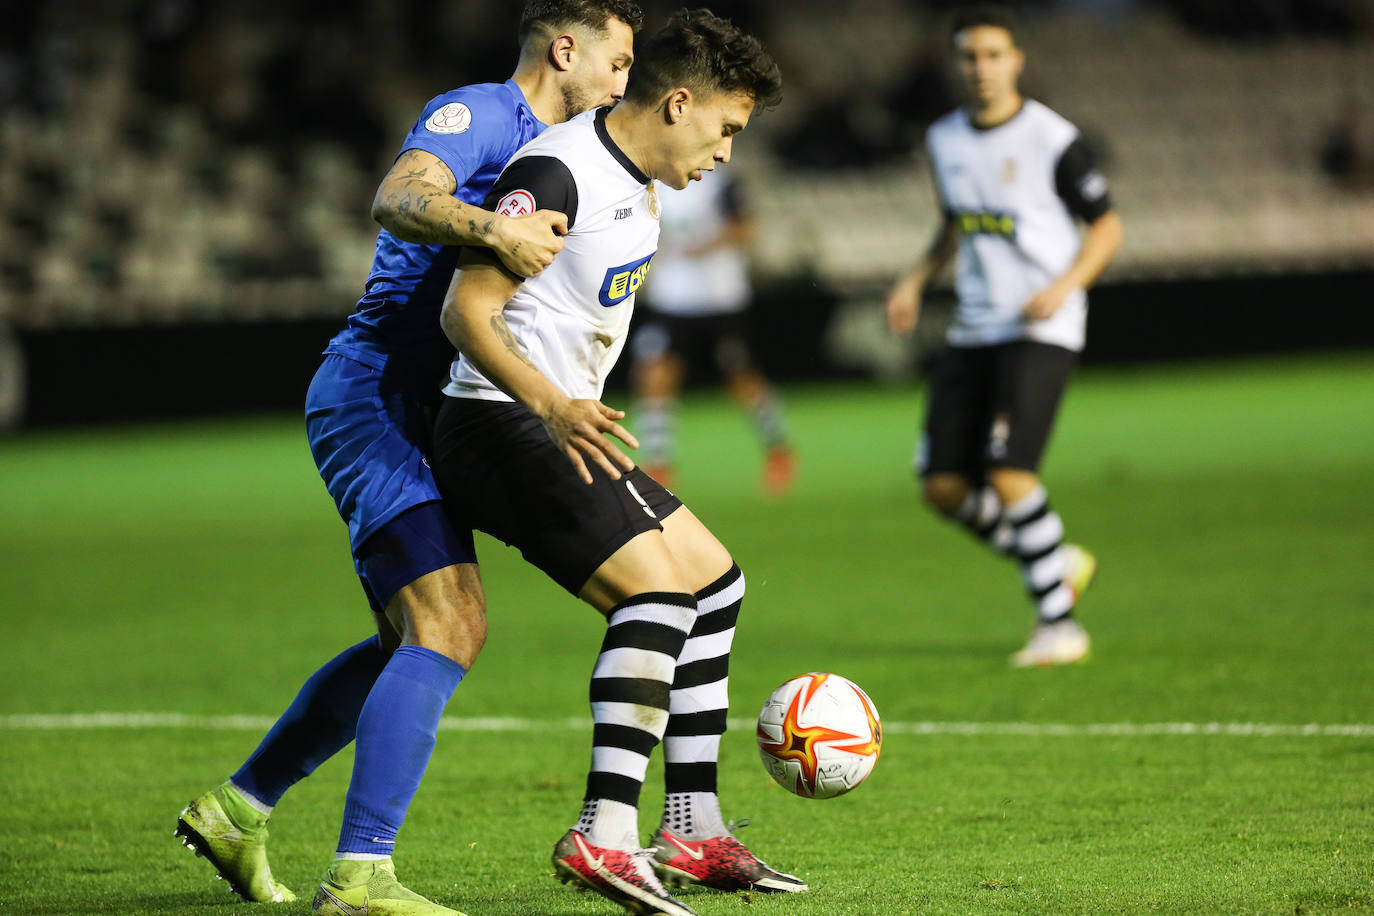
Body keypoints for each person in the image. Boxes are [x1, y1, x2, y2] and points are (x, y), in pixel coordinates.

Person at [174, 4, 641, 915]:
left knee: (411, 639)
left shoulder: (580, 151)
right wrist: (491, 230)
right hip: (377, 390)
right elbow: (398, 197)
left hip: (444, 411)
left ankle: (237, 809)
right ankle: (361, 877)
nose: (626, 82)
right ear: (565, 48)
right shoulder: (479, 114)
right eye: (619, 62)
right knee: (448, 626)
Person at [429, 10, 798, 915]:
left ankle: (692, 827)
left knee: (716, 584)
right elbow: (465, 313)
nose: (724, 153)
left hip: (560, 423)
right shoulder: (559, 170)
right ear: (678, 103)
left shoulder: (638, 178)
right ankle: (602, 834)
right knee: (657, 596)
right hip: (499, 421)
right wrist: (553, 403)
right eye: (726, 129)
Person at [885, 5, 1124, 668]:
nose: (982, 68)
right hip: (973, 326)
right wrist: (913, 278)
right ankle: (1057, 558)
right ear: (957, 65)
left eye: (994, 55)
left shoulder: (1052, 139)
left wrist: (1067, 284)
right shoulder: (945, 139)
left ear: (1016, 60)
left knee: (1011, 473)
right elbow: (955, 226)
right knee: (942, 488)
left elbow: (1107, 228)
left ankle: (1060, 626)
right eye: (970, 57)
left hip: (1040, 326)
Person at [629, 167, 796, 495]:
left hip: (720, 300)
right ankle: (659, 466)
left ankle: (779, 447)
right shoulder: (653, 182)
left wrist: (701, 246)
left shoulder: (723, 182)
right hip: (672, 300)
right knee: (654, 375)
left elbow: (746, 228)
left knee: (741, 379)